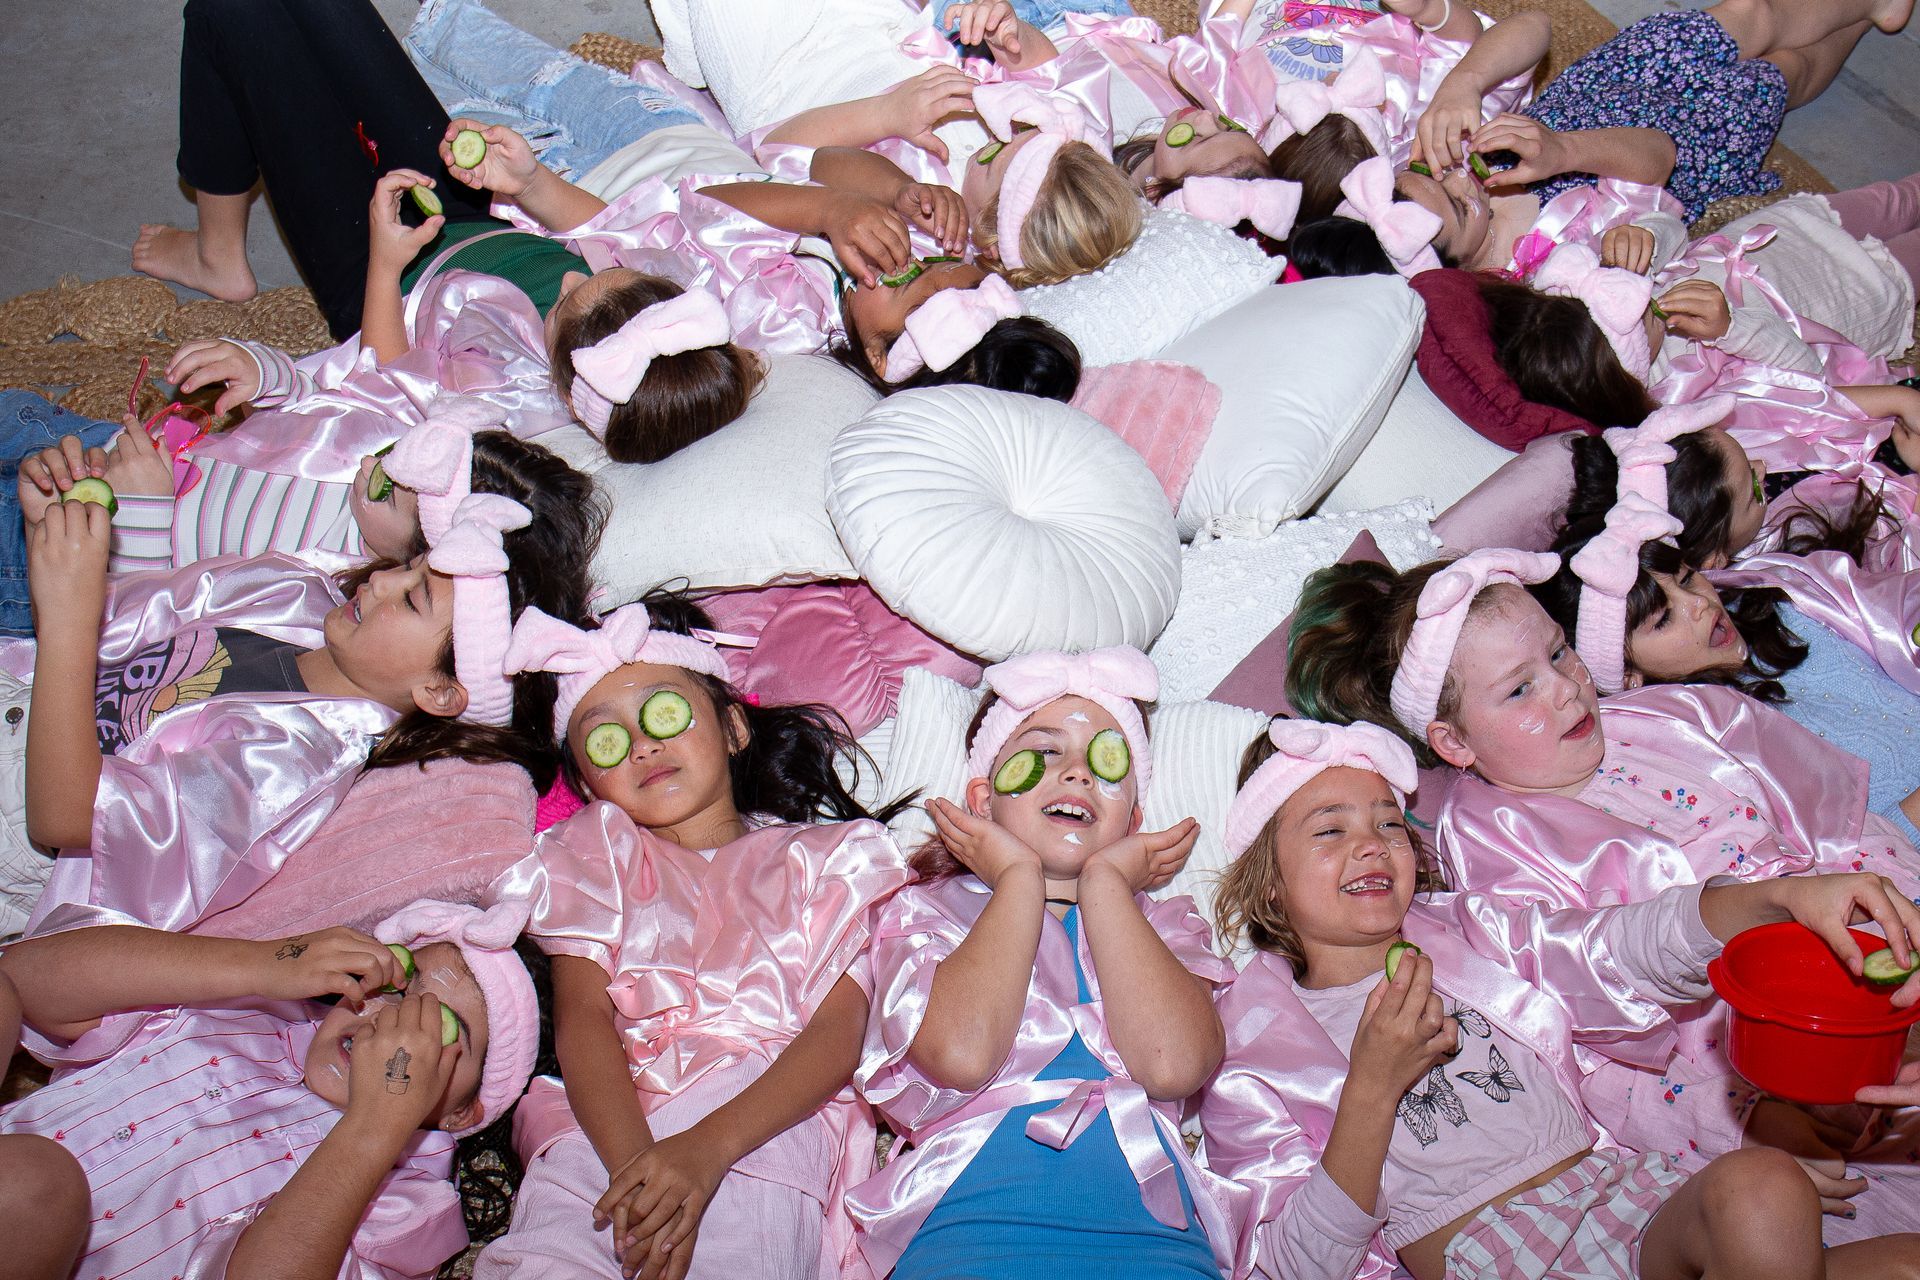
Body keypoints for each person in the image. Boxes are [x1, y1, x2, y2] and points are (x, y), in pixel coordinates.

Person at [1285, 544, 1920, 1240]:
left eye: (1559, 655)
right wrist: (1745, 1122)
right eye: (1519, 690)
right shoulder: (1493, 857)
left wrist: (1904, 922)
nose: (1564, 688)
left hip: (1880, 994)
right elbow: (1590, 1064)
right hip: (1762, 1090)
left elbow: (1844, 831)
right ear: (1455, 742)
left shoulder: (1682, 717)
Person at [1201, 715, 1920, 1280]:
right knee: (1765, 1189)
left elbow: (1618, 947)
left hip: (1625, 1203)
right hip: (1500, 1251)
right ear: (1267, 879)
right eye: (1330, 829)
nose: (1371, 844)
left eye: (1388, 821)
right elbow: (1292, 1264)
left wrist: (1778, 899)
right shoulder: (1251, 1039)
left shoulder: (1466, 929)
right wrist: (1371, 1089)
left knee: (1809, 1212)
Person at [475, 593, 911, 1278]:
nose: (644, 743)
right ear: (587, 786)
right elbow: (585, 1024)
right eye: (606, 738)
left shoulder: (830, 860)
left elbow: (837, 1035)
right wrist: (639, 1175)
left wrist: (706, 1151)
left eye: (665, 713)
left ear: (735, 727)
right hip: (608, 1130)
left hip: (758, 1127)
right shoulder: (591, 856)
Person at [3, 475, 590, 940]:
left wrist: (67, 622)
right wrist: (58, 542)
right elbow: (128, 626)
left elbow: (65, 819)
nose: (382, 580)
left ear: (440, 692)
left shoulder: (293, 767)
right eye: (410, 565)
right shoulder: (292, 590)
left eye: (412, 599)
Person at [846, 647, 1236, 1280]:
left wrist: (1107, 886)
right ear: (982, 800)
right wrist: (1017, 881)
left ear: (1134, 821)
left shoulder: (1167, 926)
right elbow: (963, 1055)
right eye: (1045, 752)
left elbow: (1174, 1066)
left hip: (1158, 1248)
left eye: (1106, 762)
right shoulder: (922, 912)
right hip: (968, 1240)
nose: (1078, 774)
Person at [0, 898, 540, 1279]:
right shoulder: (252, 1013)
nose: (388, 1023)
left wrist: (376, 1126)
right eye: (399, 987)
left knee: (31, 1185)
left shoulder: (406, 1198)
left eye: (437, 1032)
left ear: (463, 1113)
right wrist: (262, 963)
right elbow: (25, 979)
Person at [1534, 402, 1920, 840]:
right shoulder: (1702, 745)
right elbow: (1834, 858)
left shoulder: (1780, 606)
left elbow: (1895, 618)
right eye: (1663, 620)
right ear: (1629, 675)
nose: (1698, 603)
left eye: (1686, 579)